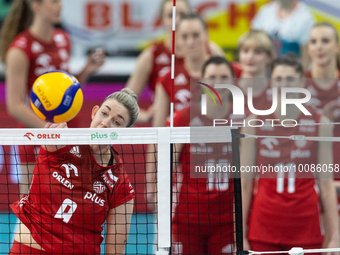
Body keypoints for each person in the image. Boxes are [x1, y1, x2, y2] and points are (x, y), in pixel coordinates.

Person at [8, 88, 139, 255]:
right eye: (104, 114)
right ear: (94, 112)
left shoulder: (120, 182)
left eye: (117, 122)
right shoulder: (61, 142)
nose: (105, 123)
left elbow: (115, 251)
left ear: (124, 133)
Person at [0, 0, 105, 195]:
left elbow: (68, 92)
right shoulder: (20, 49)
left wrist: (86, 70)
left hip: (68, 132)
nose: (60, 6)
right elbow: (14, 105)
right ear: (36, 6)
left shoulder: (63, 39)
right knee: (32, 211)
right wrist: (51, 132)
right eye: (54, 2)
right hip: (37, 137)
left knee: (71, 202)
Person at [241, 55, 339, 254]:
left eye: (290, 79)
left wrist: (335, 235)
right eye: (278, 79)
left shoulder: (321, 124)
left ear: (302, 82)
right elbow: (244, 183)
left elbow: (326, 184)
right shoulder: (253, 123)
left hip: (306, 226)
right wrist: (239, 233)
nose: (284, 85)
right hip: (263, 226)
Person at [166, 56, 235, 254]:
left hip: (226, 222)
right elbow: (166, 168)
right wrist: (163, 218)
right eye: (212, 76)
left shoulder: (242, 119)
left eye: (224, 77)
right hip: (186, 219)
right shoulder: (183, 117)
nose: (218, 82)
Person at [125, 0, 224, 123]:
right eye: (171, 15)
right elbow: (123, 105)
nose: (176, 20)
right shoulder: (152, 55)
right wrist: (147, 116)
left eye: (182, 14)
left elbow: (231, 95)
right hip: (169, 132)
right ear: (161, 20)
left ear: (191, 15)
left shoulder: (211, 50)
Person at [251, 0, 314, 70]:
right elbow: (253, 42)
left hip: (291, 72)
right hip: (266, 70)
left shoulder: (305, 17)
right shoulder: (266, 11)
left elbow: (306, 58)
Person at [236, 29, 274, 116]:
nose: (250, 57)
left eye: (257, 52)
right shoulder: (227, 91)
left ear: (269, 57)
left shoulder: (278, 93)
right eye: (245, 51)